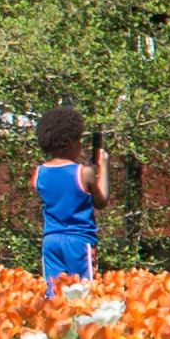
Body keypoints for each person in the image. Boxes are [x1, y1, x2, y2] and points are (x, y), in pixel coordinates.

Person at [33, 105, 98, 285]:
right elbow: (101, 201)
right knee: (84, 292)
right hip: (78, 241)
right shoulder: (83, 172)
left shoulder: (39, 174)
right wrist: (104, 166)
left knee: (54, 295)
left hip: (51, 240)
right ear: (70, 143)